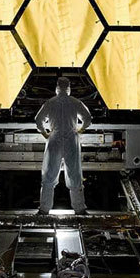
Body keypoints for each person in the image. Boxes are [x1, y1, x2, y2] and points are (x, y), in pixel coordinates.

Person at [34, 76, 92, 215]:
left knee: (49, 174)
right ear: (69, 88)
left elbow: (38, 120)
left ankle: (44, 209)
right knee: (74, 174)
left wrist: (45, 133)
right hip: (71, 139)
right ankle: (79, 209)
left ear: (57, 88)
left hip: (54, 139)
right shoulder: (75, 102)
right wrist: (80, 130)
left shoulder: (50, 103)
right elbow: (87, 118)